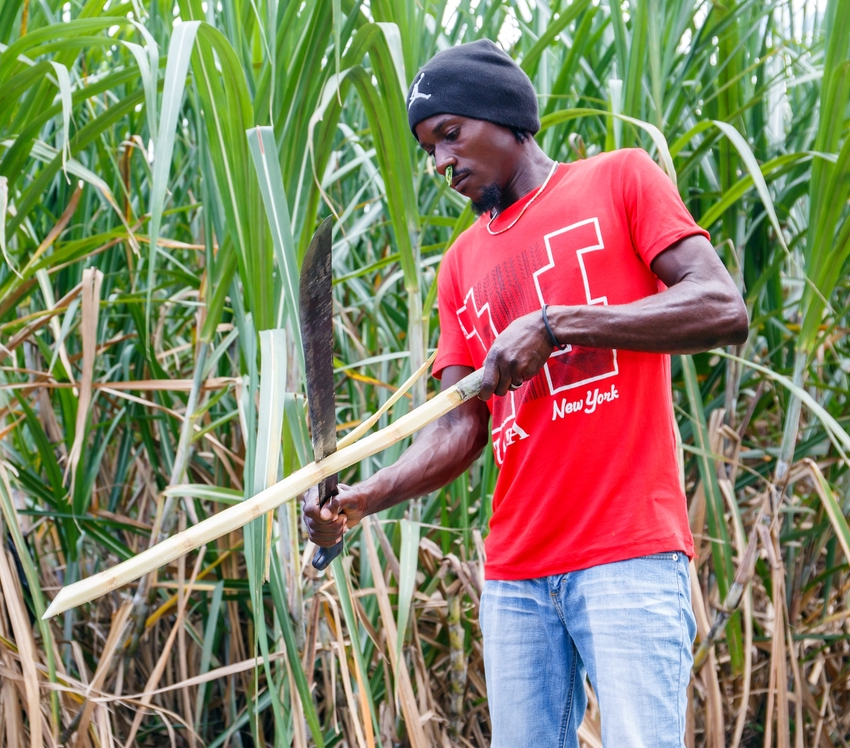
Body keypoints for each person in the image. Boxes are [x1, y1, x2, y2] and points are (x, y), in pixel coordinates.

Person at [302, 39, 748, 747]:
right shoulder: (460, 265)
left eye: (450, 134)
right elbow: (458, 429)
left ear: (506, 116)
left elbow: (723, 308)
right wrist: (363, 498)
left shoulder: (619, 181)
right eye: (428, 149)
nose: (440, 163)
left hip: (626, 554)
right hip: (516, 575)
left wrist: (557, 324)